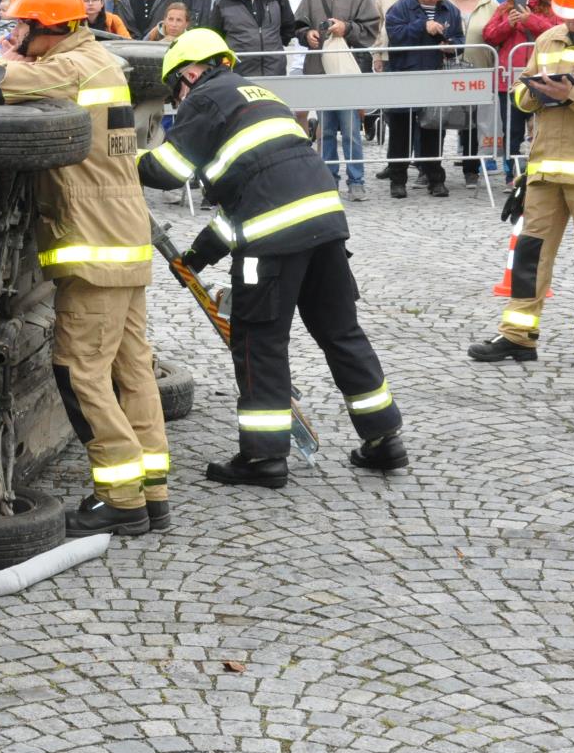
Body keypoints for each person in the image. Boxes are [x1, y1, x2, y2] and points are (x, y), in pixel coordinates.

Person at [139, 28, 408, 487]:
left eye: (174, 90)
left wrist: (119, 160)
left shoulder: (206, 98)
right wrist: (198, 255)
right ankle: (385, 440)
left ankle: (263, 458)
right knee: (341, 332)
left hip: (272, 241)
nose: (177, 101)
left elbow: (169, 171)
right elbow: (251, 196)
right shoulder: (259, 95)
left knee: (257, 341)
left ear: (190, 73)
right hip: (324, 225)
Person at [0, 0, 168, 536]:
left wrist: (7, 55)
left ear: (50, 28)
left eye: (22, 24)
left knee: (80, 371)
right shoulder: (103, 62)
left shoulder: (69, 67)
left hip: (94, 252)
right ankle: (151, 490)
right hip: (124, 242)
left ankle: (120, 498)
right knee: (132, 370)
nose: (15, 32)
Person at [469, 0, 574, 368]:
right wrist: (535, 94)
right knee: (529, 255)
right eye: (568, 14)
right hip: (543, 171)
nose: (572, 22)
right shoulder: (548, 39)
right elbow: (521, 97)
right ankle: (518, 336)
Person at [383, 0, 464, 199]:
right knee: (400, 131)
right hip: (405, 75)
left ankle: (435, 178)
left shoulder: (449, 9)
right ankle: (397, 180)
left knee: (433, 130)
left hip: (435, 76)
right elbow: (396, 38)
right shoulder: (400, 8)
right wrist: (422, 26)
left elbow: (459, 38)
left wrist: (452, 48)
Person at [483, 0, 559, 178]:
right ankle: (512, 174)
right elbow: (489, 35)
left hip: (544, 75)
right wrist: (510, 23)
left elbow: (556, 32)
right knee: (512, 130)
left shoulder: (551, 6)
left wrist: (530, 20)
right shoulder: (505, 8)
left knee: (544, 129)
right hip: (510, 77)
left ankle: (540, 173)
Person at [447, 0, 500, 188]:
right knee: (437, 119)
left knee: (473, 122)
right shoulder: (443, 2)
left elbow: (498, 36)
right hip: (446, 71)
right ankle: (429, 169)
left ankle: (471, 168)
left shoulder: (491, 5)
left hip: (478, 70)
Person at [209, 0, 297, 75]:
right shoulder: (224, 0)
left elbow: (288, 28)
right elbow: (215, 36)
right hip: (238, 73)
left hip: (274, 70)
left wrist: (271, 45)